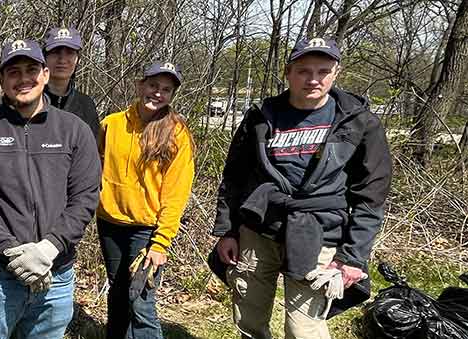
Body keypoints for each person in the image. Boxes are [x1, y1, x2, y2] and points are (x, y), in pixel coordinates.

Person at [209, 37, 392, 339]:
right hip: (259, 228)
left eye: (323, 71)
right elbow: (234, 177)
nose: (313, 79)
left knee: (304, 328)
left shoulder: (358, 122)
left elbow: (371, 195)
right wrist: (228, 231)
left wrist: (352, 256)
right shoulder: (261, 117)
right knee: (249, 318)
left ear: (336, 73)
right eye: (304, 71)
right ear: (288, 73)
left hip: (318, 232)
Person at [0, 39, 101, 339]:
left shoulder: (74, 130)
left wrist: (48, 248)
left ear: (45, 74)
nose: (23, 79)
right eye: (14, 72)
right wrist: (13, 251)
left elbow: (85, 196)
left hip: (57, 274)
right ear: (1, 80)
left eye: (31, 69)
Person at [96, 62, 195, 339]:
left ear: (172, 94)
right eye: (153, 85)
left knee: (140, 300)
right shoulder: (112, 124)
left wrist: (161, 241)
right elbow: (94, 162)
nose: (158, 93)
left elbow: (176, 193)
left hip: (147, 229)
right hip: (110, 223)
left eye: (166, 89)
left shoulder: (176, 133)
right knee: (117, 293)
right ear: (141, 86)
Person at [42, 27, 101, 136]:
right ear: (44, 58)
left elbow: (93, 150)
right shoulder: (30, 102)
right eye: (55, 52)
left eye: (69, 53)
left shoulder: (86, 105)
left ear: (78, 59)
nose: (62, 60)